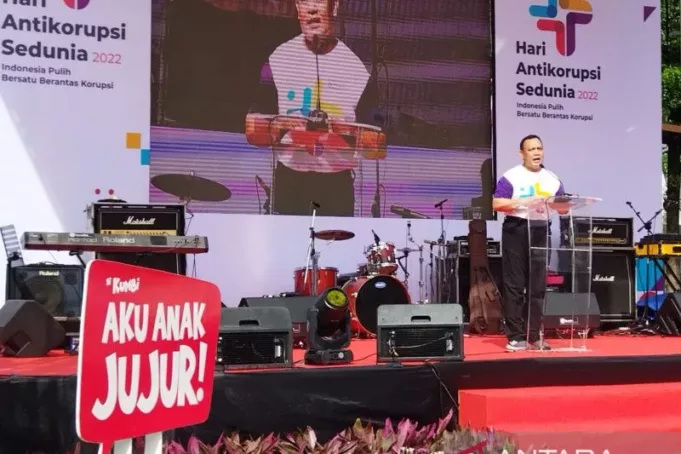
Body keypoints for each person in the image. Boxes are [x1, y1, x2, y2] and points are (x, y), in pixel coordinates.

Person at [250, 0, 379, 217]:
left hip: (336, 187)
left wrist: (336, 131)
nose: (311, 9)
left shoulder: (357, 69)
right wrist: (283, 125)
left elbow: (375, 142)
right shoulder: (277, 60)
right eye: (303, 1)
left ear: (334, 6)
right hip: (289, 182)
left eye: (318, 1)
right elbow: (253, 126)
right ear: (297, 8)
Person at [492, 134, 565, 351]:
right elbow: (497, 203)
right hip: (516, 229)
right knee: (514, 284)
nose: (536, 153)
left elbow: (562, 206)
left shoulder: (552, 178)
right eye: (531, 149)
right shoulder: (512, 176)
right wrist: (524, 201)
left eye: (539, 149)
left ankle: (534, 335)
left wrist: (564, 205)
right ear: (521, 153)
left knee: (537, 286)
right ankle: (515, 336)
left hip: (540, 229)